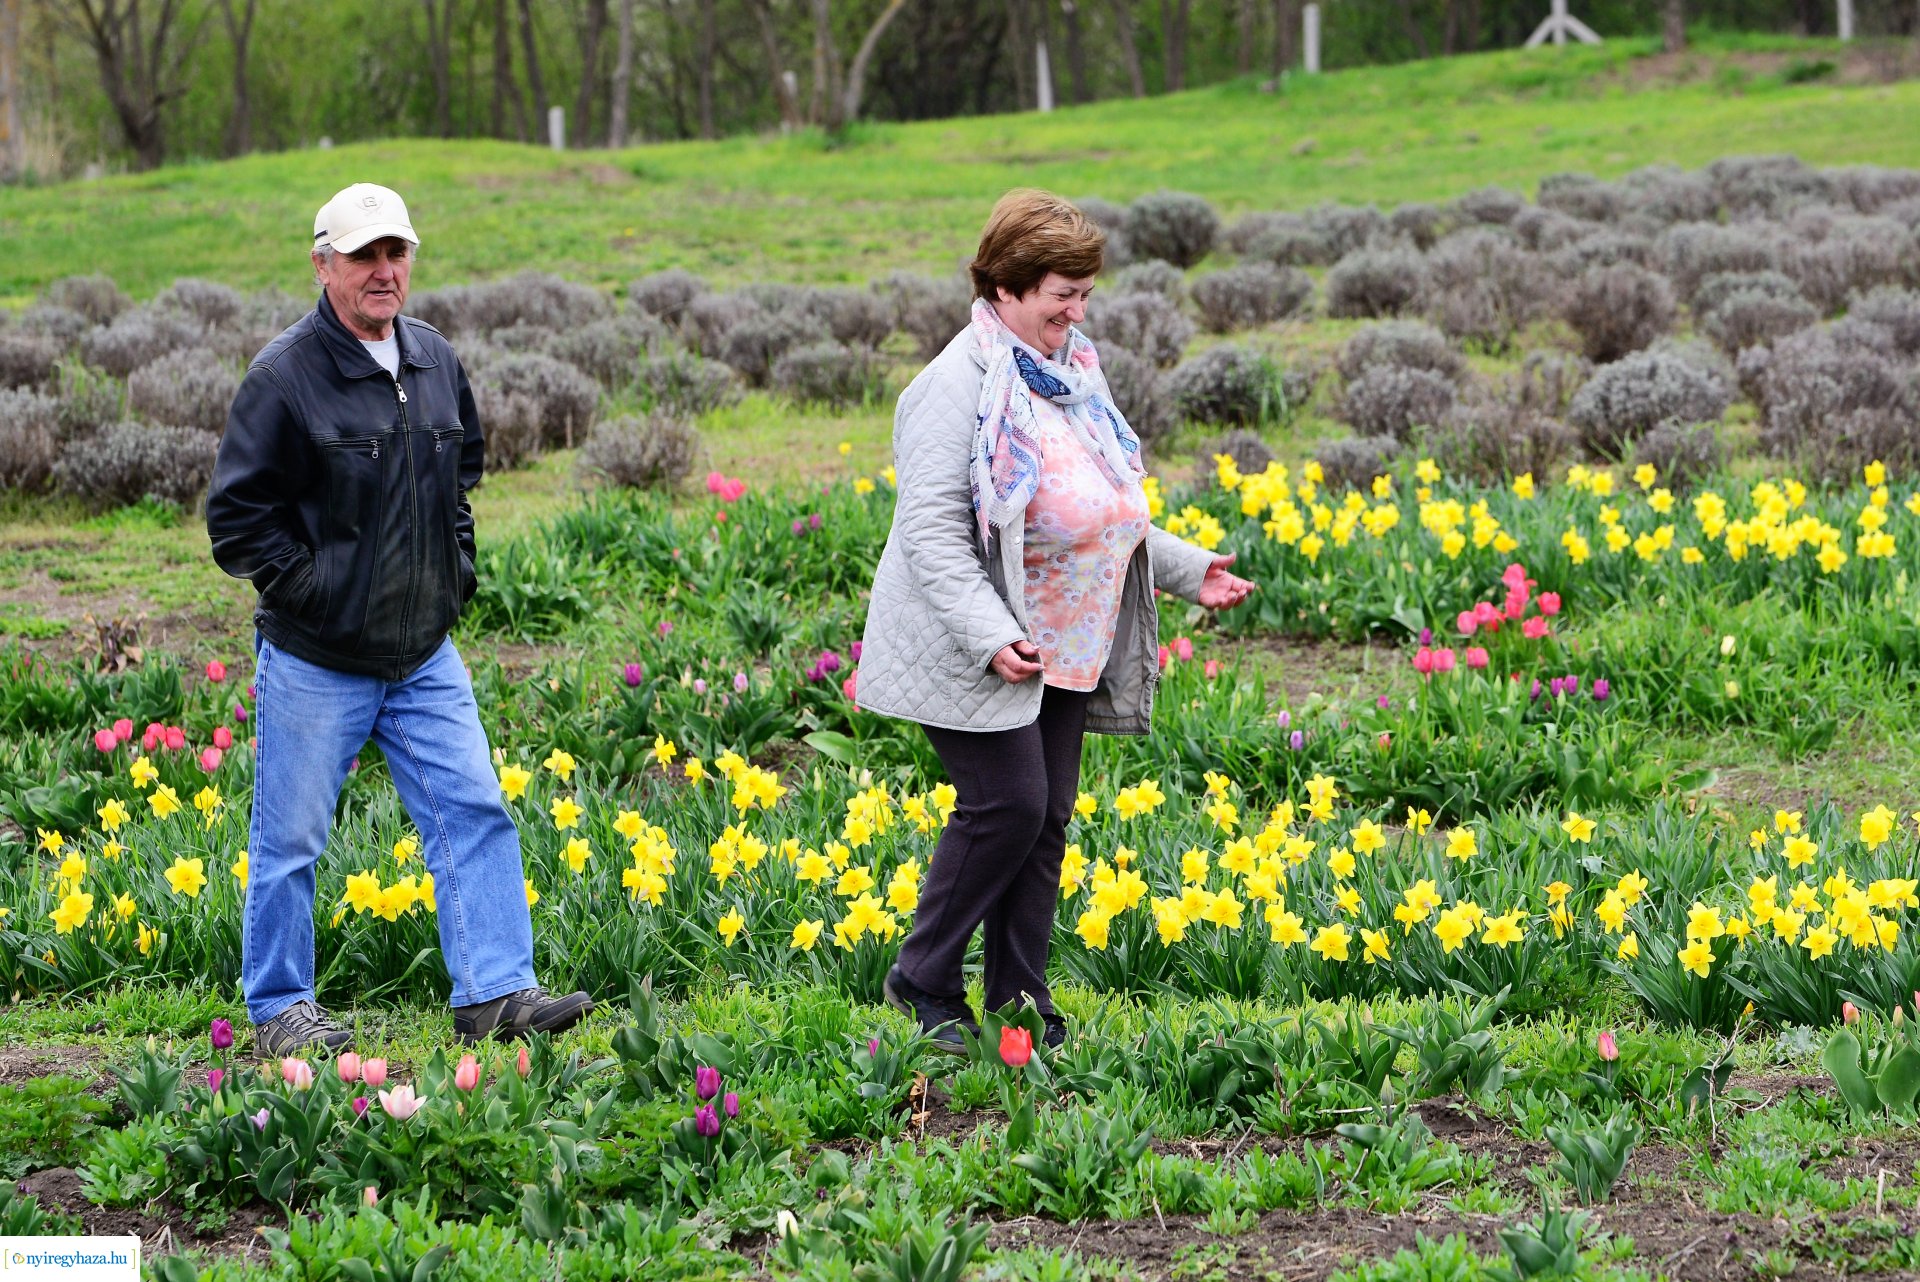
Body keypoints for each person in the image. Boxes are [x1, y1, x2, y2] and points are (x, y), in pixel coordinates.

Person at [860, 189, 1255, 1051]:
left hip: (1070, 632)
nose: (1076, 314)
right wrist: (989, 632)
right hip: (982, 638)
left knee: (1046, 819)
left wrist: (1189, 570)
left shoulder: (1071, 371)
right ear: (1003, 287)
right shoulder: (953, 385)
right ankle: (922, 979)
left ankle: (1018, 998)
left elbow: (1102, 498)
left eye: (1084, 295)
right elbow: (929, 529)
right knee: (1007, 804)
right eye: (1059, 297)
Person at [206, 183, 591, 1056]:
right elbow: (237, 522)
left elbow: (461, 480)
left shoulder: (433, 360)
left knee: (474, 811)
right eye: (363, 256)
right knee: (291, 838)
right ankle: (279, 1011)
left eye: (396, 253)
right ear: (323, 264)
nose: (384, 272)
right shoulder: (283, 379)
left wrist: (452, 578)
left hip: (422, 652)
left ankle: (495, 993)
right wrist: (319, 597)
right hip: (317, 658)